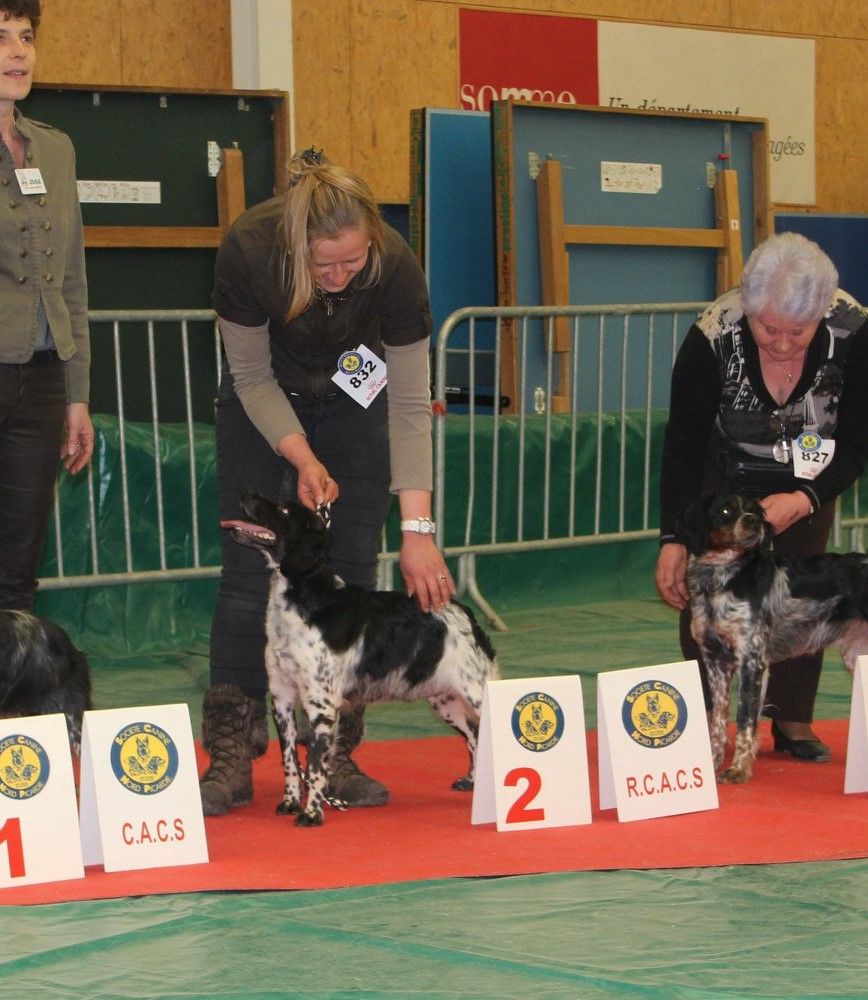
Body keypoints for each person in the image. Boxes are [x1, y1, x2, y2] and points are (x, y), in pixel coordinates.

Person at [199, 147, 454, 816]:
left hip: (355, 398)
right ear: (295, 247)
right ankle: (230, 750)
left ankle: (333, 751)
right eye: (324, 265)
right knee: (248, 575)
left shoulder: (396, 266)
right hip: (263, 397)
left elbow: (409, 403)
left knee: (349, 572)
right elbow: (251, 377)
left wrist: (418, 531)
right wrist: (301, 457)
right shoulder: (250, 250)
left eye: (353, 262)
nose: (340, 278)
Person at [655, 232, 868, 761]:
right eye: (768, 328)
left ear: (822, 314)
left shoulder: (855, 331)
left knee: (803, 591)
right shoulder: (712, 335)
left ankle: (792, 721)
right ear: (748, 309)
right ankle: (705, 726)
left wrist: (806, 498)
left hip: (811, 471)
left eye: (798, 332)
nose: (782, 344)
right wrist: (673, 537)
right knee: (710, 588)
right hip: (725, 467)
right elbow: (682, 445)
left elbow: (857, 443)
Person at [0, 0, 93, 612]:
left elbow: (73, 281)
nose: (18, 52)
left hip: (41, 381)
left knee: (17, 573)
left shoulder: (55, 151)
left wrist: (76, 394)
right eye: (1, 37)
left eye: (26, 36)